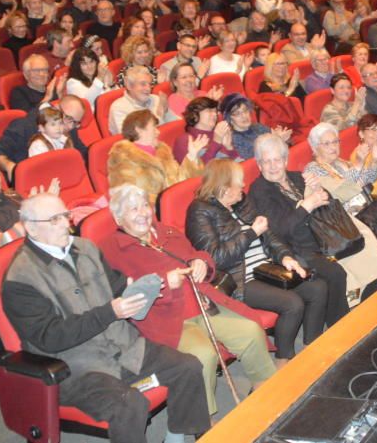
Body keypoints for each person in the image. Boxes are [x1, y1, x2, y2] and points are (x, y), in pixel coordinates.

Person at [2, 192, 210, 443]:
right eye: (54, 220)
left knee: (188, 366)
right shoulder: (20, 279)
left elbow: (118, 286)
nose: (66, 225)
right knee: (128, 404)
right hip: (75, 367)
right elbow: (50, 337)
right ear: (31, 229)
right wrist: (110, 312)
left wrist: (149, 285)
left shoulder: (87, 248)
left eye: (65, 216)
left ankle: (175, 438)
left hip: (123, 345)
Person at [99, 184, 276, 415]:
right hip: (165, 320)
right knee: (203, 355)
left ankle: (264, 389)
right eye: (134, 209)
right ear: (119, 217)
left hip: (201, 303)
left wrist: (201, 262)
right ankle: (204, 420)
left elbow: (196, 254)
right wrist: (163, 282)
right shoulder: (110, 250)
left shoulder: (166, 232)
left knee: (250, 331)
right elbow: (124, 295)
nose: (143, 213)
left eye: (145, 206)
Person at [185, 160, 328, 366]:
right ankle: (283, 360)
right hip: (238, 278)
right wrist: (252, 233)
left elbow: (269, 235)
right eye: (238, 183)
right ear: (225, 188)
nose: (243, 187)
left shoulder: (241, 201)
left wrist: (285, 257)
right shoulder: (200, 211)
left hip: (266, 269)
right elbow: (215, 258)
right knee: (292, 304)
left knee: (317, 288)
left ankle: (311, 346)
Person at [250, 133, 350, 328]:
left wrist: (318, 190)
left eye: (277, 160)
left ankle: (369, 308)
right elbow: (278, 231)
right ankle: (339, 326)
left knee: (362, 247)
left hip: (321, 237)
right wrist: (307, 206)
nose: (272, 166)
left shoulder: (297, 178)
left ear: (285, 160)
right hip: (295, 249)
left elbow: (328, 204)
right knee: (336, 273)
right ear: (259, 165)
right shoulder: (260, 190)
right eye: (266, 161)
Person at [107, 110, 202, 203]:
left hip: (175, 204)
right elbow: (138, 200)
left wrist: (191, 156)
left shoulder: (162, 152)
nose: (158, 132)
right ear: (139, 130)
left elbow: (179, 180)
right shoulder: (124, 160)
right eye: (154, 128)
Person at [173, 96, 239, 165]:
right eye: (209, 111)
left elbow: (239, 163)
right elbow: (196, 172)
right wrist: (216, 143)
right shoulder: (184, 140)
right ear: (194, 116)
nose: (215, 114)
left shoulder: (219, 133)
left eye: (215, 111)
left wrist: (229, 147)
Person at [108, 65, 165, 135]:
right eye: (143, 84)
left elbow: (177, 123)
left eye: (150, 84)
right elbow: (133, 138)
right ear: (129, 85)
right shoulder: (119, 107)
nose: (148, 89)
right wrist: (160, 117)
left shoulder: (156, 99)